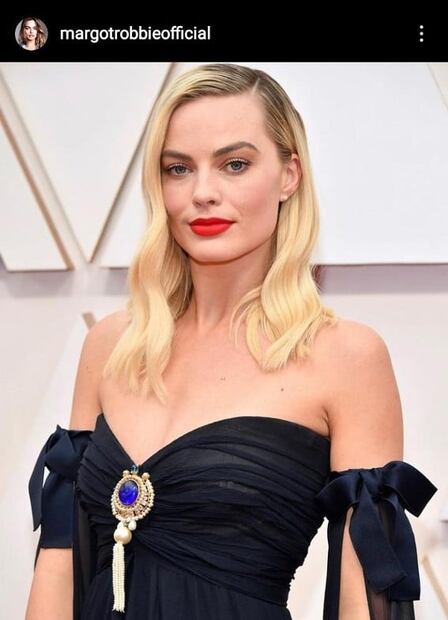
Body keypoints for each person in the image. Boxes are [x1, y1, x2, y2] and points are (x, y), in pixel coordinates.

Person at [25, 63, 438, 619]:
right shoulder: (112, 345)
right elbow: (58, 563)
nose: (203, 193)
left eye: (234, 164)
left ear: (289, 175)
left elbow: (365, 594)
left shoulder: (345, 357)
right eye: (178, 168)